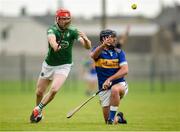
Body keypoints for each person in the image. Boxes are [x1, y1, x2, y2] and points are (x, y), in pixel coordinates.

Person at [30, 8, 91, 123]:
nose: (66, 21)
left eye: (68, 19)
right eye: (63, 19)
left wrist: (86, 40)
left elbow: (87, 46)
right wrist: (55, 46)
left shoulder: (73, 31)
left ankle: (38, 109)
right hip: (49, 65)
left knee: (54, 90)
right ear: (57, 19)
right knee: (39, 92)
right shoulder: (52, 29)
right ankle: (39, 114)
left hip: (64, 66)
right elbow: (51, 40)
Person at [90, 27, 130, 125]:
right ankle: (118, 118)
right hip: (104, 88)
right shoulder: (97, 50)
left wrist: (110, 79)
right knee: (107, 120)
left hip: (120, 85)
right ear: (104, 38)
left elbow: (125, 70)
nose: (115, 39)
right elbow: (93, 56)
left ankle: (111, 120)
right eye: (112, 37)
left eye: (114, 37)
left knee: (115, 89)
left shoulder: (119, 52)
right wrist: (103, 46)